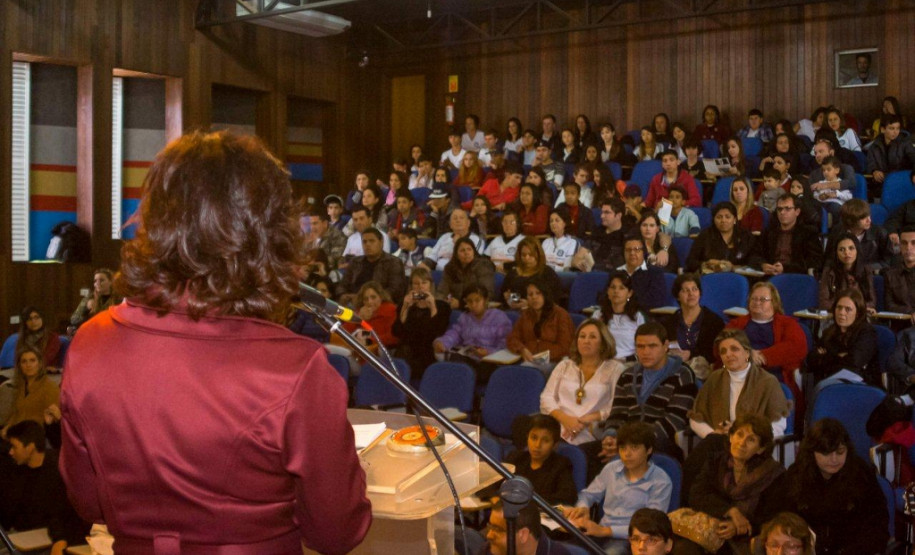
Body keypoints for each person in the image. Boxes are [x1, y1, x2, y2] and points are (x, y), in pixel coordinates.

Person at [59, 131, 371, 553]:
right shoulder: (295, 368)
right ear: (267, 235)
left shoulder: (90, 342)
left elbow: (89, 502)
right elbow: (337, 533)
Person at [759, 418, 888, 555]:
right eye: (826, 453)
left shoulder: (861, 474)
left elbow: (877, 524)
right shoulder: (796, 476)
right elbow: (771, 517)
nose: (834, 459)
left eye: (840, 452)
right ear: (812, 452)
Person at [677, 414, 784, 555]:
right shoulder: (716, 461)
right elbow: (697, 495)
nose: (742, 443)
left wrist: (738, 526)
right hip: (713, 529)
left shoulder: (772, 474)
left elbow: (772, 516)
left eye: (751, 440)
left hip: (753, 535)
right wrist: (731, 511)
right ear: (731, 437)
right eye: (739, 435)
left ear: (761, 449)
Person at [563, 422, 673, 554]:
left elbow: (649, 527)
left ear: (649, 450)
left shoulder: (661, 481)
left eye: (634, 448)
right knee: (563, 550)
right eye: (622, 448)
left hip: (632, 539)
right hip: (599, 531)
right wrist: (583, 507)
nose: (627, 454)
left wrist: (605, 531)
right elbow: (588, 495)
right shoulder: (612, 468)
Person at [596, 322, 698, 460]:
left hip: (660, 443)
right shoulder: (628, 375)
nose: (646, 352)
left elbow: (674, 421)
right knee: (586, 454)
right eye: (640, 346)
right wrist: (610, 436)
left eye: (652, 346)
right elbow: (618, 414)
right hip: (625, 440)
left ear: (665, 346)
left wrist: (630, 443)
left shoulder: (682, 375)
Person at [0, 420, 91, 555]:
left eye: (15, 447)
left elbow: (61, 514)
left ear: (30, 447)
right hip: (21, 533)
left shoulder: (58, 471)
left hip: (50, 535)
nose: (11, 452)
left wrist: (60, 538)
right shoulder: (16, 472)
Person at [689, 329, 790, 441]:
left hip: (753, 446)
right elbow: (696, 418)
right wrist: (712, 435)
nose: (728, 354)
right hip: (718, 443)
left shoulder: (768, 382)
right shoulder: (714, 379)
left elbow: (778, 426)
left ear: (747, 352)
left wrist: (743, 434)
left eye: (734, 349)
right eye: (723, 351)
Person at [541, 319, 625, 445]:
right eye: (582, 336)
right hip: (558, 424)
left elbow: (616, 406)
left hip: (591, 429)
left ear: (603, 342)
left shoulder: (615, 369)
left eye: (592, 337)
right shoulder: (565, 365)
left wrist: (587, 419)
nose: (586, 341)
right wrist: (566, 419)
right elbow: (546, 398)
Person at [479, 414, 579, 506]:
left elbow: (568, 498)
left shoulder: (560, 465)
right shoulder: (516, 458)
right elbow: (488, 485)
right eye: (534, 438)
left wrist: (522, 500)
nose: (537, 445)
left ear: (555, 445)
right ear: (527, 437)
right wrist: (495, 497)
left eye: (545, 440)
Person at [725, 282, 808, 390]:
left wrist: (763, 356)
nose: (757, 302)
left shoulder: (788, 324)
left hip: (773, 377)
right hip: (740, 374)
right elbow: (721, 344)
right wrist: (746, 355)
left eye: (763, 299)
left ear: (774, 302)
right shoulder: (736, 324)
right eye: (753, 299)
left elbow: (797, 347)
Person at [807, 289, 879, 391]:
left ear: (858, 313)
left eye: (848, 309)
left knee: (822, 388)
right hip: (830, 379)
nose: (841, 313)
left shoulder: (867, 332)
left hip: (861, 384)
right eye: (839, 308)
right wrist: (840, 356)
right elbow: (811, 359)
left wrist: (826, 356)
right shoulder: (829, 332)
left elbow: (855, 361)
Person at [392, 267, 450, 380]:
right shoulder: (406, 306)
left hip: (427, 351)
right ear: (411, 286)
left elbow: (438, 331)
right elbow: (396, 332)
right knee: (403, 352)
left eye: (424, 282)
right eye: (416, 283)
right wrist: (405, 307)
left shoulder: (442, 307)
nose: (420, 287)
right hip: (407, 349)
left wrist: (432, 307)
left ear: (430, 285)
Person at [433, 284, 512, 365]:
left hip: (490, 360)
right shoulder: (465, 317)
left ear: (485, 300)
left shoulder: (498, 317)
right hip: (469, 357)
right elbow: (455, 333)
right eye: (470, 301)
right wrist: (443, 342)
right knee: (452, 362)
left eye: (477, 300)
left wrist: (489, 352)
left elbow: (505, 343)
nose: (473, 305)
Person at [506, 280, 574, 370]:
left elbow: (565, 347)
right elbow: (512, 338)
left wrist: (540, 355)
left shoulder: (560, 315)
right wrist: (522, 349)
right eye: (530, 295)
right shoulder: (526, 315)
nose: (534, 297)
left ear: (545, 295)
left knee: (525, 372)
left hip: (555, 362)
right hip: (530, 360)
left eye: (538, 293)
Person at [662, 273, 726, 365]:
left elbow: (715, 354)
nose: (691, 294)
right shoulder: (669, 322)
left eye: (694, 289)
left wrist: (690, 354)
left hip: (703, 370)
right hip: (673, 365)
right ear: (677, 296)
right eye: (685, 290)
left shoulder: (714, 322)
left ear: (699, 293)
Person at [755, 193, 823, 276]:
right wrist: (762, 265)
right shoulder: (769, 231)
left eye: (787, 209)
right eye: (779, 209)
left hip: (795, 277)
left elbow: (815, 261)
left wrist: (785, 268)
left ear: (797, 212)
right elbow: (755, 254)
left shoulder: (808, 233)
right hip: (769, 275)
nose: (782, 212)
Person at [1, 347, 60, 438]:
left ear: (40, 363)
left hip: (36, 438)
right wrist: (8, 427)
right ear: (19, 366)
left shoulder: (50, 387)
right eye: (24, 361)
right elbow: (16, 413)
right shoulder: (21, 386)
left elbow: (52, 421)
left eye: (32, 360)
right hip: (16, 434)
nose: (28, 365)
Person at [685, 202, 758, 274]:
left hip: (740, 277)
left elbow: (754, 260)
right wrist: (706, 264)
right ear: (714, 220)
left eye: (727, 217)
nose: (723, 220)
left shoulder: (746, 236)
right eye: (719, 217)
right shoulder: (705, 236)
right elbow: (691, 262)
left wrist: (734, 267)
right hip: (711, 277)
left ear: (735, 219)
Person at [824, 199, 894, 272]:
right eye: (863, 218)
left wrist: (864, 269)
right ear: (850, 221)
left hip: (870, 275)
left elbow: (888, 262)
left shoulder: (880, 233)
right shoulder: (837, 231)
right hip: (842, 275)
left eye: (869, 216)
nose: (869, 220)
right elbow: (829, 259)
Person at [338, 227, 406, 301]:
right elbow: (342, 285)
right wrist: (343, 295)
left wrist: (366, 299)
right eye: (364, 242)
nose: (368, 245)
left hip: (380, 304)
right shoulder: (355, 262)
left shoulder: (393, 262)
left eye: (372, 241)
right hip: (352, 302)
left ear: (381, 242)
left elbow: (395, 290)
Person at [592, 271, 647, 362]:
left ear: (629, 293)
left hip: (629, 364)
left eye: (621, 288)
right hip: (602, 362)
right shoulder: (598, 315)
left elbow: (644, 347)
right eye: (613, 287)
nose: (616, 291)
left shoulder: (637, 317)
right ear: (607, 291)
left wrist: (625, 360)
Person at [486, 500, 573, 555]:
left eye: (497, 529)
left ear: (523, 534)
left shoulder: (557, 553)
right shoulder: (489, 549)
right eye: (491, 526)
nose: (489, 535)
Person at [501, 237, 564, 309]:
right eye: (523, 255)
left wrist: (529, 304)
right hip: (513, 310)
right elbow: (510, 295)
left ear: (538, 254)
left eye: (531, 254)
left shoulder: (547, 273)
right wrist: (510, 301)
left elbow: (554, 299)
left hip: (539, 312)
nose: (527, 258)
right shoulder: (513, 273)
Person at [819, 233, 876, 311]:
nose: (846, 253)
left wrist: (854, 309)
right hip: (836, 314)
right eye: (842, 249)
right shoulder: (829, 271)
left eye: (851, 248)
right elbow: (824, 303)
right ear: (836, 253)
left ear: (857, 250)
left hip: (859, 314)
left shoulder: (866, 270)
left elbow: (872, 301)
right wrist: (844, 309)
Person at [438, 236, 495, 307]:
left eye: (469, 249)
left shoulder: (483, 266)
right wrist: (442, 301)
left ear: (474, 252)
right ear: (456, 254)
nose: (466, 253)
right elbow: (442, 291)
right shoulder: (450, 268)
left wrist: (461, 304)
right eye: (462, 250)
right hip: (455, 305)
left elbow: (487, 294)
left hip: (477, 306)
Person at [422, 208, 486, 271]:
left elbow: (473, 262)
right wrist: (424, 265)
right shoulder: (444, 237)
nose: (458, 220)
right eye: (455, 218)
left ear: (468, 223)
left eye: (461, 218)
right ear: (450, 225)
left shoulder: (476, 240)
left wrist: (458, 244)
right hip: (439, 272)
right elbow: (432, 257)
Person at [867, 113, 915, 186]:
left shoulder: (905, 143)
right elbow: (870, 163)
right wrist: (874, 171)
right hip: (881, 183)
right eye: (891, 128)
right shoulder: (875, 146)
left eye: (898, 128)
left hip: (902, 182)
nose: (896, 132)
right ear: (883, 129)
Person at [69, 268, 121, 333]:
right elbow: (74, 320)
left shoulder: (118, 299)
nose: (98, 283)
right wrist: (86, 309)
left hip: (111, 332)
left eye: (101, 280)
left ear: (110, 282)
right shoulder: (89, 298)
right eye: (95, 281)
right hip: (92, 332)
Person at [885, 225, 915, 322]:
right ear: (900, 246)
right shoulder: (890, 275)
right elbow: (889, 306)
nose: (908, 248)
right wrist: (910, 312)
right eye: (904, 243)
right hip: (902, 324)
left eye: (914, 243)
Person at [590, 197, 629, 272]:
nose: (602, 216)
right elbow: (581, 254)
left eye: (607, 212)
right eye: (602, 212)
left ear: (618, 216)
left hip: (614, 275)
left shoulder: (627, 235)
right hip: (590, 272)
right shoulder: (597, 231)